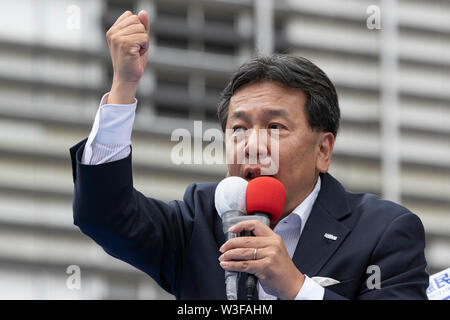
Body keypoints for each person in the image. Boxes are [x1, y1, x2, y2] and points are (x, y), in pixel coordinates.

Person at [70, 10, 429, 300]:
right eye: (238, 129)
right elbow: (104, 214)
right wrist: (124, 86)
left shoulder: (384, 232)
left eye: (275, 127)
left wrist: (297, 288)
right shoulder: (201, 218)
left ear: (323, 149)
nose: (253, 144)